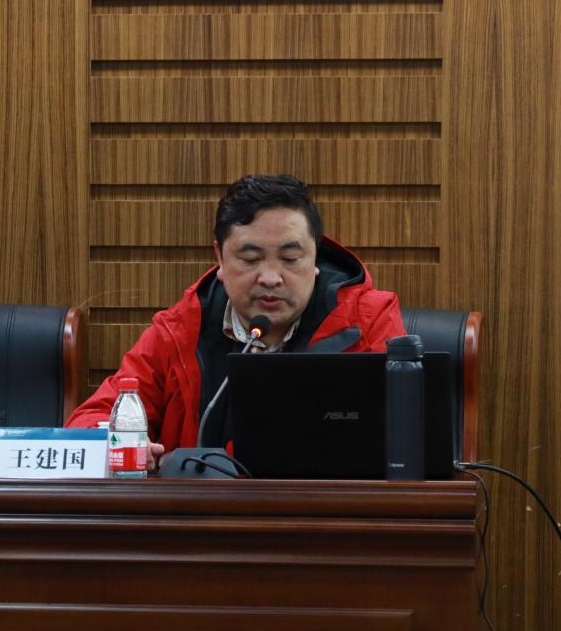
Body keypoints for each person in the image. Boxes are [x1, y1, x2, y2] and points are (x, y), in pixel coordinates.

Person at [65, 174, 406, 470]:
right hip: (205, 516)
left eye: (290, 258)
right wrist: (120, 445)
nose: (270, 277)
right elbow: (93, 422)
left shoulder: (367, 322)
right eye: (250, 259)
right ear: (220, 258)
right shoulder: (180, 329)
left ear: (315, 256)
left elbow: (407, 436)